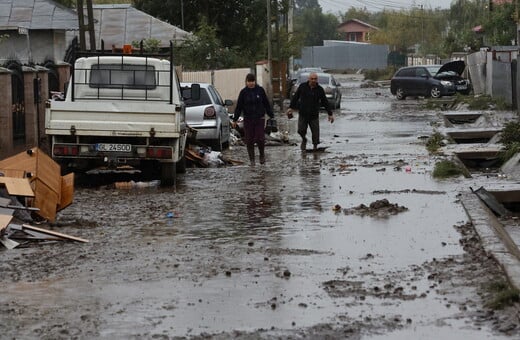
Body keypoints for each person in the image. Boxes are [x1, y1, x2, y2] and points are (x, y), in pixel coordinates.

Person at [232, 73, 274, 165]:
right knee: (249, 140)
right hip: (248, 119)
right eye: (249, 81)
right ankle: (252, 160)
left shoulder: (260, 90)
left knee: (260, 138)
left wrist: (271, 115)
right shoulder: (243, 93)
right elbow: (239, 107)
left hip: (259, 118)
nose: (251, 83)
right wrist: (235, 119)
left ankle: (262, 155)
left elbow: (266, 103)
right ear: (246, 82)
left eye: (252, 81)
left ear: (255, 81)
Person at [287, 72, 334, 151]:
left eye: (315, 79)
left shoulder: (320, 89)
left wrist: (330, 114)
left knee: (315, 133)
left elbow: (325, 102)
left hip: (314, 115)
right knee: (300, 130)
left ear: (317, 80)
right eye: (312, 79)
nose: (313, 80)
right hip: (303, 113)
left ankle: (315, 146)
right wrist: (291, 107)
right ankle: (304, 139)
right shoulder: (302, 87)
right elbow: (296, 97)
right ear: (308, 79)